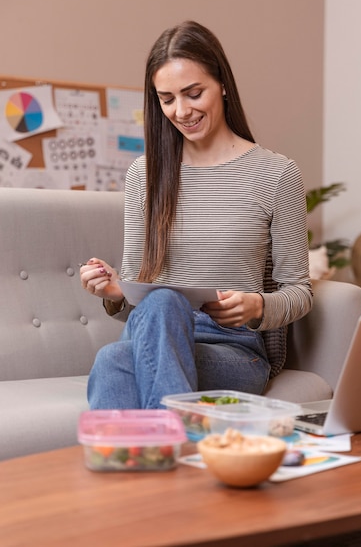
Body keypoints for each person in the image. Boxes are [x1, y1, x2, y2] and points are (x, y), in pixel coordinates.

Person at [80, 20, 313, 410]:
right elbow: (138, 294)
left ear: (222, 83)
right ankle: (167, 461)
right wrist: (116, 293)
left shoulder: (277, 174)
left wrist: (258, 306)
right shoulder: (146, 175)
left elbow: (299, 292)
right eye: (167, 99)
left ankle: (147, 458)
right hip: (151, 333)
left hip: (235, 352)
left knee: (116, 358)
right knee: (155, 312)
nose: (181, 111)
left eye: (193, 93)